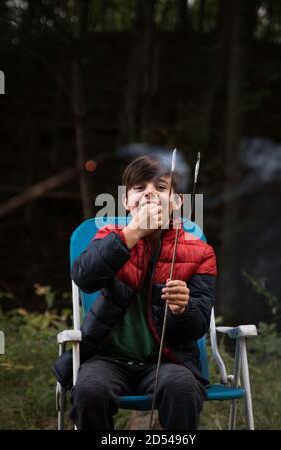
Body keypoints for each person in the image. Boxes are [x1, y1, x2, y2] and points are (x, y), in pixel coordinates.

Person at [53, 154, 217, 430]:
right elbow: (84, 278)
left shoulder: (200, 253)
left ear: (177, 203)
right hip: (106, 360)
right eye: (140, 188)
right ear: (127, 201)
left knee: (182, 388)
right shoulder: (109, 236)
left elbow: (197, 325)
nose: (150, 193)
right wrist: (131, 234)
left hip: (167, 362)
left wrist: (182, 309)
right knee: (90, 390)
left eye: (161, 188)